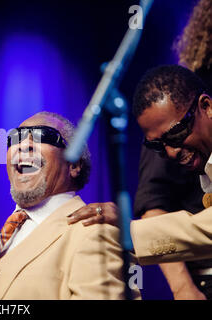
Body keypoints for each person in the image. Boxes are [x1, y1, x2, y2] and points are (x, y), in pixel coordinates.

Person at [69, 0, 212, 299]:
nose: (171, 153)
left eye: (176, 135)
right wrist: (183, 286)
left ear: (206, 107)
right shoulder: (176, 102)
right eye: (158, 145)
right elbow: (154, 199)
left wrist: (130, 231)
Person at [0, 111, 141, 300]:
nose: (24, 145)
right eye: (16, 138)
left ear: (74, 165)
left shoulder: (97, 233)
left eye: (43, 135)